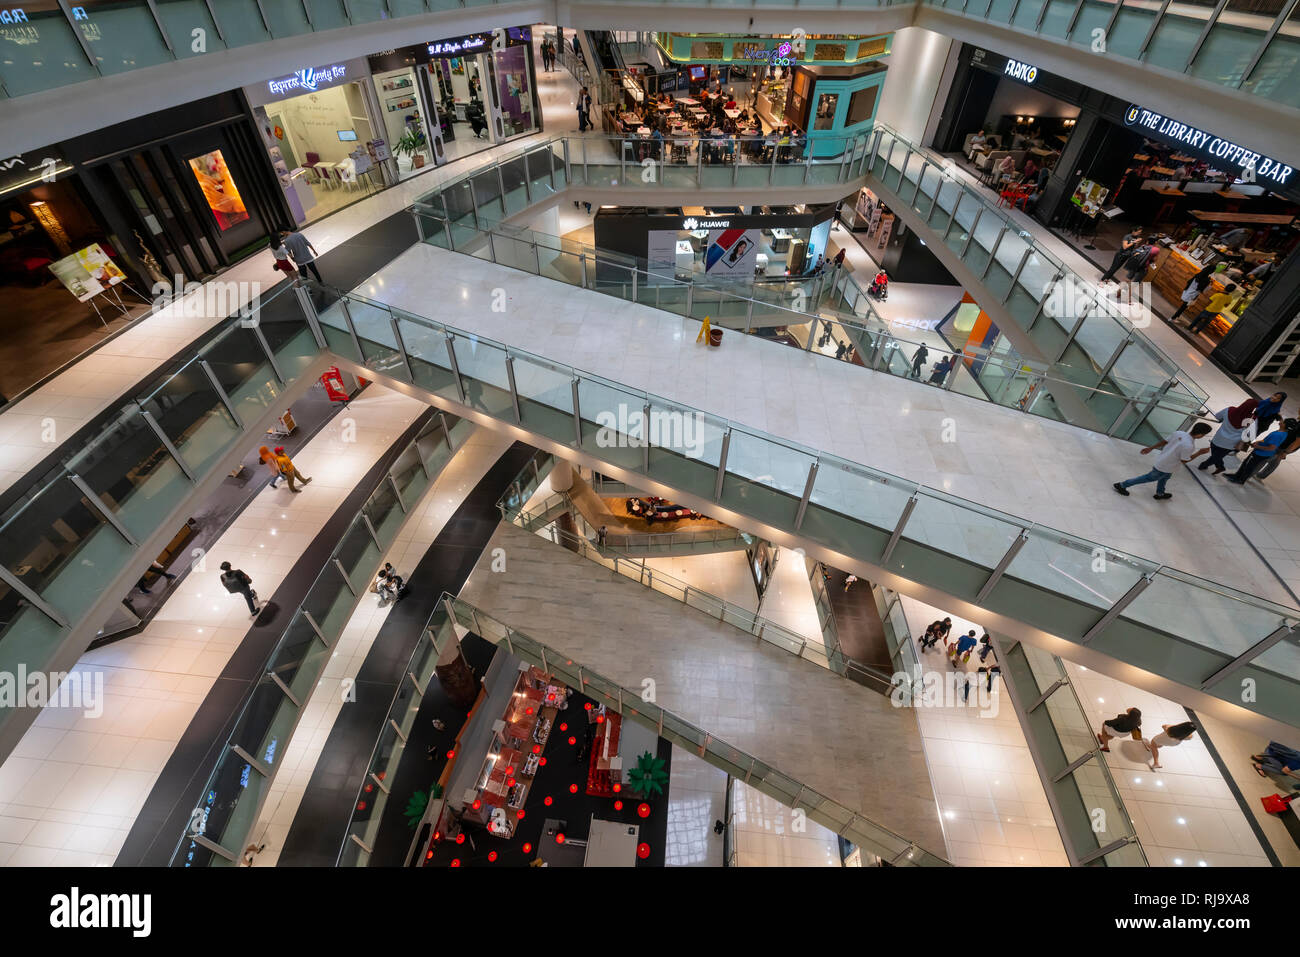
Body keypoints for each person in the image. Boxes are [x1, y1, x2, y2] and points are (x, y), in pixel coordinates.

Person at [1113, 423, 1213, 500]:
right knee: (1147, 478)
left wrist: (1151, 448)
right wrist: (1199, 452)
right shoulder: (1189, 446)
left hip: (1163, 462)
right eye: (1204, 434)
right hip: (1166, 467)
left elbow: (1165, 441)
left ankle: (1160, 493)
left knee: (1165, 478)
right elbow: (1184, 461)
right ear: (1200, 434)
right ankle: (1122, 485)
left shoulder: (1179, 433)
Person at [1197, 399, 1257, 475]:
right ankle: (1218, 466)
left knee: (1215, 455)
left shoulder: (1230, 409)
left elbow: (1217, 416)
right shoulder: (1252, 419)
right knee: (1217, 456)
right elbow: (1251, 435)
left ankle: (1205, 465)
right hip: (1231, 444)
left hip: (1218, 438)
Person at [1227, 419, 1294, 484]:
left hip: (1260, 453)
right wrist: (1259, 442)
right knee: (1246, 463)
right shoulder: (1283, 433)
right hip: (1262, 453)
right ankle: (1237, 476)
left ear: (1285, 425)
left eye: (1284, 422)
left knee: (1248, 466)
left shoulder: (1278, 435)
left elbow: (1271, 448)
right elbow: (1267, 441)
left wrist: (1257, 446)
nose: (1281, 421)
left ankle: (1240, 480)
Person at [1256, 416, 1300, 481]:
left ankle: (1255, 472)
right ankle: (1261, 475)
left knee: (1268, 458)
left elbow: (1298, 441)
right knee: (1275, 460)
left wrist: (1286, 452)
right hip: (1285, 444)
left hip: (1285, 447)